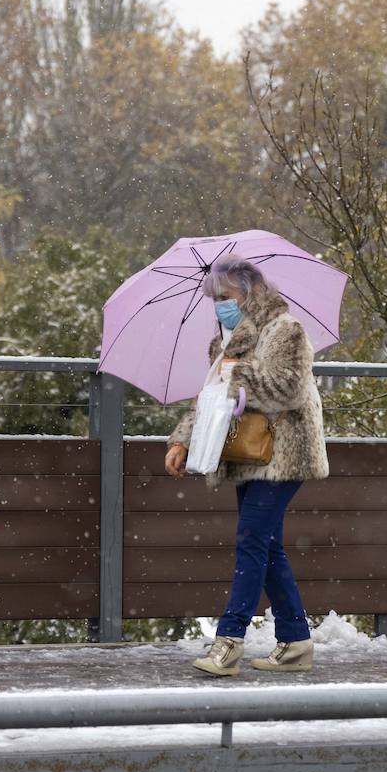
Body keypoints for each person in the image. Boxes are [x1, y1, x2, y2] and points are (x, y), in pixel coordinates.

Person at [164, 254, 330, 675]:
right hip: (246, 454)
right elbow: (211, 400)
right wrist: (182, 439)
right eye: (213, 298)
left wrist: (241, 374)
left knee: (251, 540)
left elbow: (289, 389)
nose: (220, 304)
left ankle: (230, 641)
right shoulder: (225, 342)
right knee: (266, 545)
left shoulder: (285, 330)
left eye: (226, 296)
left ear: (250, 290)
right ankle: (295, 642)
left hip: (285, 453)